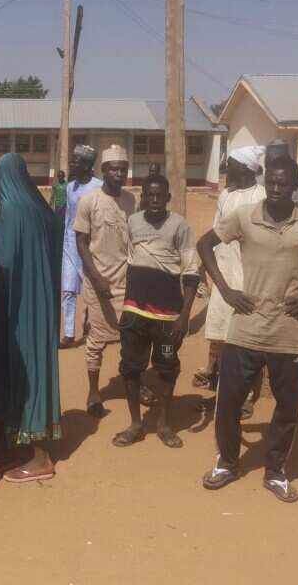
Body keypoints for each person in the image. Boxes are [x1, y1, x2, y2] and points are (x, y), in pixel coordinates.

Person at [196, 157, 298, 503]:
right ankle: (227, 462)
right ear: (265, 180)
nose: (275, 189)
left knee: (287, 408)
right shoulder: (244, 216)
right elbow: (205, 245)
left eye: (283, 183)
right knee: (228, 403)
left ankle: (275, 471)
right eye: (271, 182)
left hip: (288, 330)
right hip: (246, 328)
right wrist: (224, 290)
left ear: (295, 185)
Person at [0, 153, 63, 483]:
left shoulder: (12, 212)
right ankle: (18, 443)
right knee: (35, 366)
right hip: (41, 302)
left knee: (24, 367)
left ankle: (41, 457)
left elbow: (0, 263)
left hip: (19, 306)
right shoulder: (40, 209)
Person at [113, 174, 200, 449]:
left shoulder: (179, 226)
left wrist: (184, 317)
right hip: (135, 313)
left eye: (158, 195)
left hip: (167, 319)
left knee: (166, 368)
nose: (153, 200)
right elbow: (128, 260)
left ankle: (163, 423)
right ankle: (136, 424)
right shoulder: (133, 222)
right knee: (130, 368)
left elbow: (191, 272)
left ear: (167, 198)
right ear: (143, 197)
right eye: (148, 195)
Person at [199, 146, 265, 400]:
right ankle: (220, 392)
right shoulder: (225, 195)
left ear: (246, 168)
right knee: (220, 337)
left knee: (246, 339)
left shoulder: (261, 196)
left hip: (248, 278)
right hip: (222, 277)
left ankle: (246, 396)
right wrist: (203, 268)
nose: (226, 168)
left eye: (232, 163)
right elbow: (213, 234)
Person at [74, 145, 136, 417]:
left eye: (123, 169)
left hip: (127, 282)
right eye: (113, 169)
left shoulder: (131, 201)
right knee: (97, 340)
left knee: (131, 339)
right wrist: (97, 278)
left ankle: (132, 384)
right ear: (104, 171)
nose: (118, 174)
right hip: (98, 282)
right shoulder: (90, 200)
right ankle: (94, 392)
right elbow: (81, 241)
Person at [60, 145, 102, 349]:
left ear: (86, 165)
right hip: (69, 244)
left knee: (90, 291)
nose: (71, 165)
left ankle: (94, 324)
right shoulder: (70, 187)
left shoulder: (98, 187)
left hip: (90, 246)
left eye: (75, 161)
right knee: (67, 290)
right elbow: (68, 216)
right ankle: (69, 334)